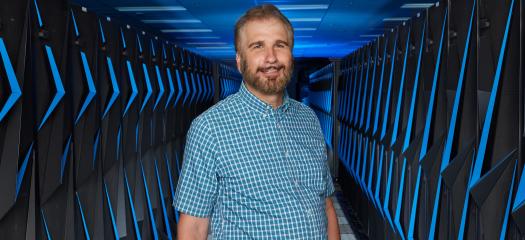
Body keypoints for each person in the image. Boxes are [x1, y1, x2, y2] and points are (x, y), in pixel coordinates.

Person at [174, 4, 339, 239]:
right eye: (258, 46)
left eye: (280, 45)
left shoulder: (308, 119)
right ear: (240, 61)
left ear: (290, 55)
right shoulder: (210, 128)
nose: (271, 58)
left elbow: (326, 205)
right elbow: (194, 225)